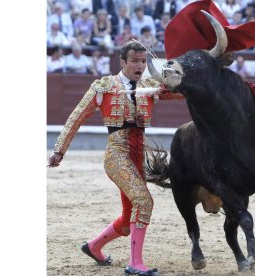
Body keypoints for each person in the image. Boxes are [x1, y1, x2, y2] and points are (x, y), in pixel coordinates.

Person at [48, 40, 183, 276]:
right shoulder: (104, 87)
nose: (140, 66)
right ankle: (135, 264)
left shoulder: (150, 85)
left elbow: (180, 92)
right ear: (122, 62)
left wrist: (177, 78)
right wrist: (60, 150)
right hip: (116, 154)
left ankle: (94, 247)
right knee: (144, 201)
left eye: (143, 61)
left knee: (126, 219)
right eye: (134, 61)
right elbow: (76, 117)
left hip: (138, 155)